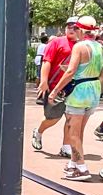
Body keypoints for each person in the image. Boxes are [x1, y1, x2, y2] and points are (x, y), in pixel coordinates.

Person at [48, 15, 102, 181]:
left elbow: (70, 72)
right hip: (94, 90)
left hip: (79, 93)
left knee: (73, 132)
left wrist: (55, 91)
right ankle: (73, 163)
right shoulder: (100, 47)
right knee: (79, 132)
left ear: (80, 30)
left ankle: (82, 168)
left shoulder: (79, 47)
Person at [32, 17, 80, 154]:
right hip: (55, 86)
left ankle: (66, 147)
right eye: (69, 26)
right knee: (53, 117)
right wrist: (43, 82)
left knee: (71, 118)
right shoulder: (57, 42)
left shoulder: (82, 45)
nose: (72, 29)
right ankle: (38, 131)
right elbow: (47, 61)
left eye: (75, 27)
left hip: (74, 87)